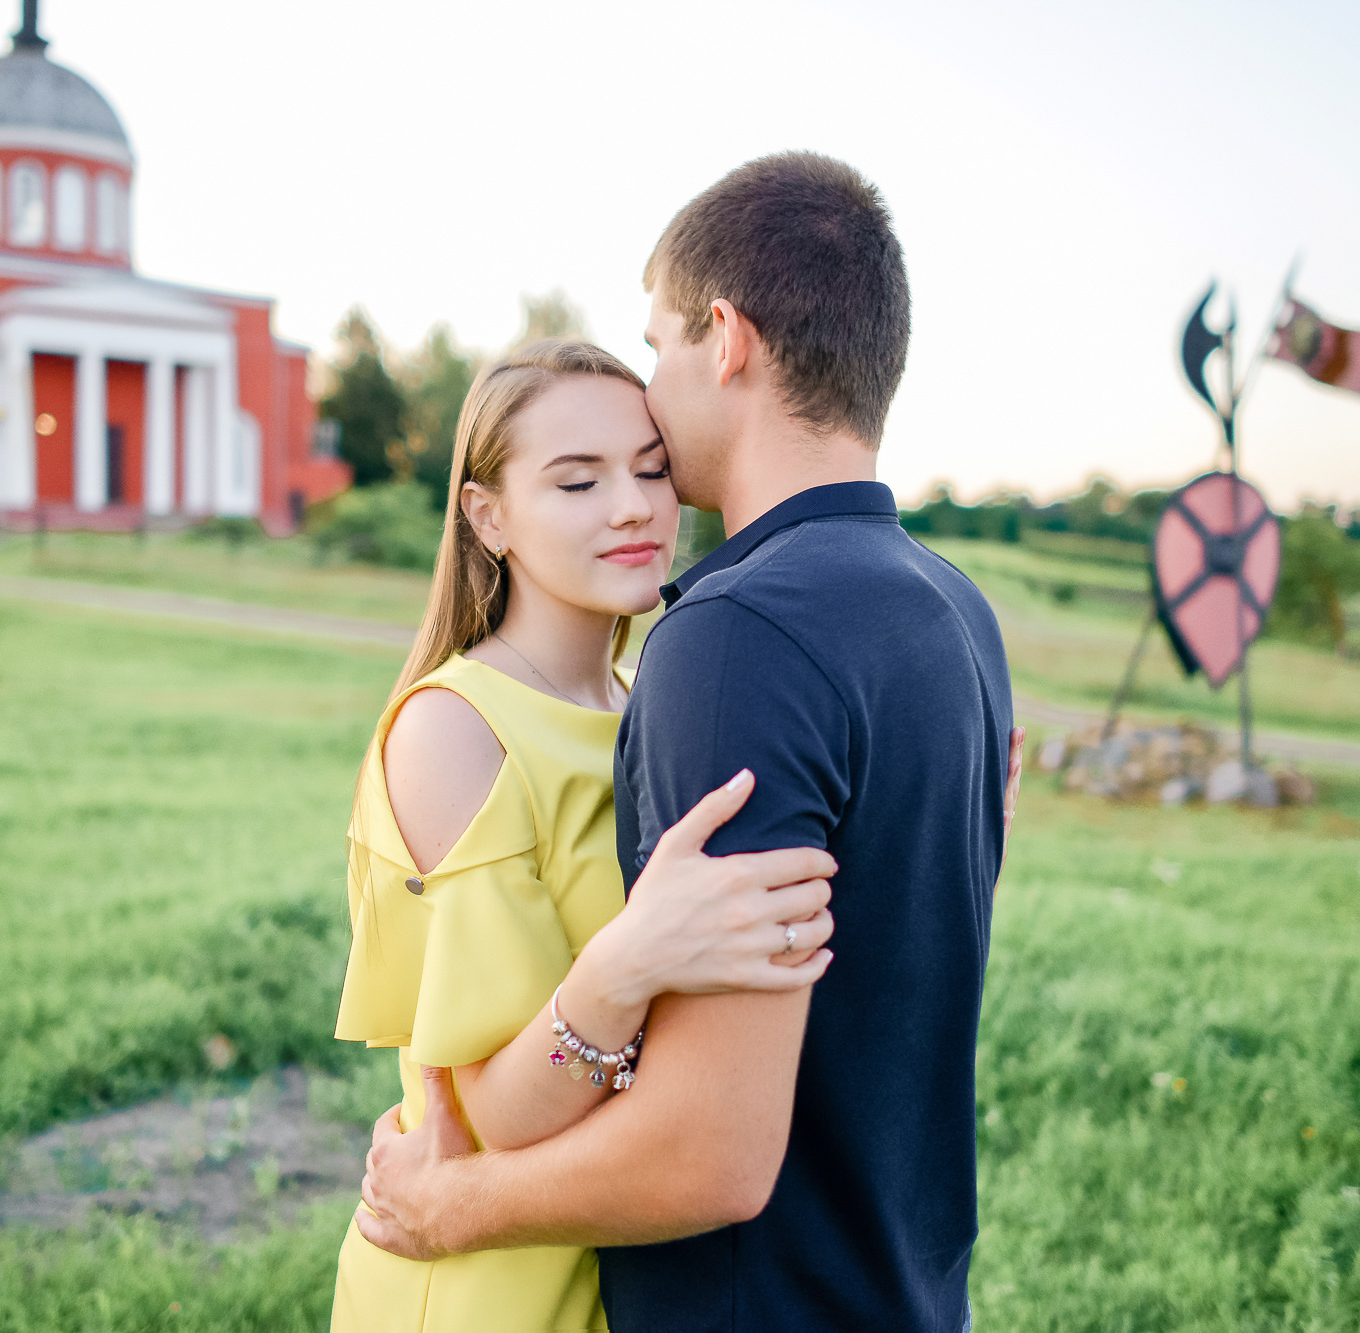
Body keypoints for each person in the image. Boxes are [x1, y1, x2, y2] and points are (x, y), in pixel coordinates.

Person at [355, 153, 1020, 1332]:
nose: (650, 395)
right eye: (577, 479)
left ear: (724, 339)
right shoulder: (953, 612)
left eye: (656, 344)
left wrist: (441, 1207)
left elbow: (708, 1154)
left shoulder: (731, 637)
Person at [330, 339, 844, 1332]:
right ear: (487, 516)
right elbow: (492, 1118)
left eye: (651, 471)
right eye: (578, 481)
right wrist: (630, 958)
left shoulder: (651, 702)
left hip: (628, 1257)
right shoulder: (453, 729)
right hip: (484, 1283)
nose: (634, 507)